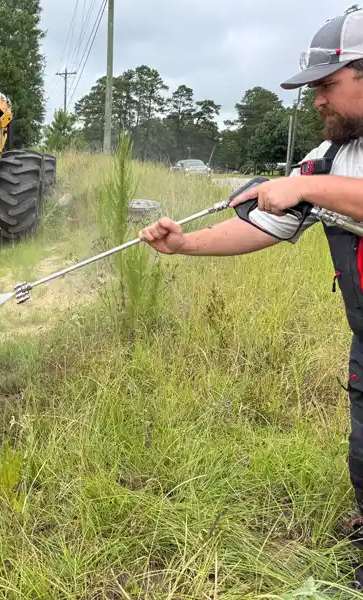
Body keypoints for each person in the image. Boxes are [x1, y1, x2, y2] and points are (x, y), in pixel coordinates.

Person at [139, 5, 363, 585]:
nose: (317, 99)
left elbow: (313, 193)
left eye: (328, 84)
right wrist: (184, 245)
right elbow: (266, 225)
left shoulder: (320, 175)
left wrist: (309, 188)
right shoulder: (330, 157)